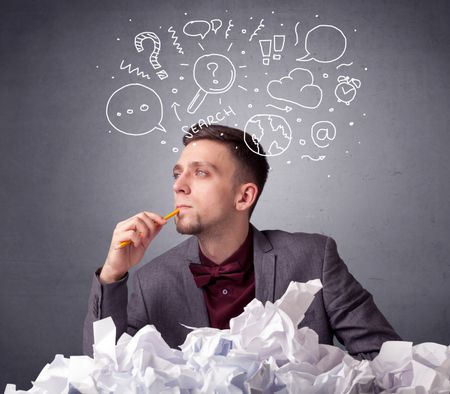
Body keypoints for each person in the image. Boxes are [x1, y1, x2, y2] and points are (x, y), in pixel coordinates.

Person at [83, 124, 401, 359]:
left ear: (244, 196)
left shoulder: (314, 257)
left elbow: (383, 358)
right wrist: (112, 276)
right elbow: (105, 373)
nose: (179, 186)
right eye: (177, 174)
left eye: (201, 173)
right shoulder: (151, 282)